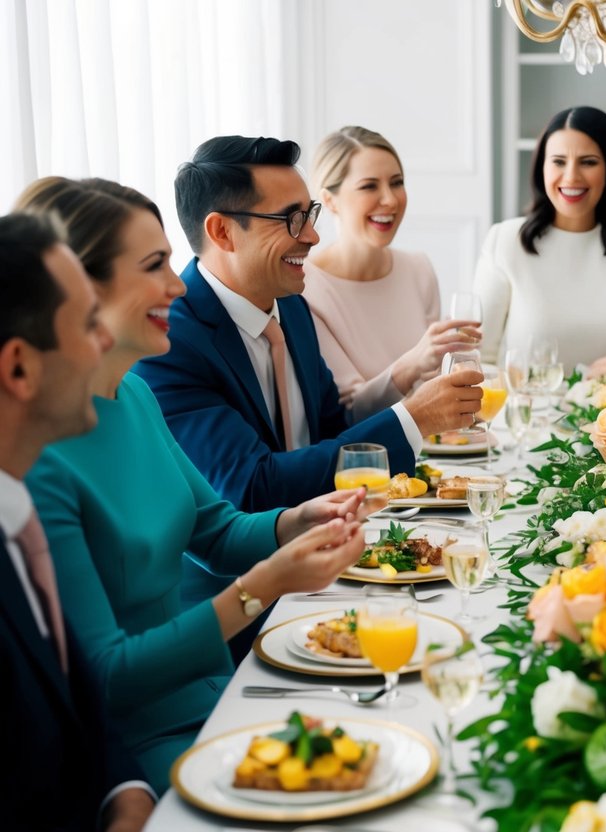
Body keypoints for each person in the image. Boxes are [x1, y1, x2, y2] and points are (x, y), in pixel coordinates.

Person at [18, 176, 369, 792]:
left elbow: (214, 528)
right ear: (81, 289)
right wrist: (264, 587)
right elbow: (106, 678)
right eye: (154, 266)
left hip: (223, 693)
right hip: (141, 745)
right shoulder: (41, 458)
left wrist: (302, 519)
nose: (179, 285)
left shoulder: (132, 392)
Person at [134, 135, 483, 513]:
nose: (313, 236)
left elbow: (333, 432)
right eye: (292, 220)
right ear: (222, 232)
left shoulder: (292, 308)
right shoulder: (169, 342)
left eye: (310, 214)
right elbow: (251, 488)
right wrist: (413, 417)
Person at [0, 212, 154, 830]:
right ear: (20, 369)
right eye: (89, 324)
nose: (103, 343)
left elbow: (77, 708)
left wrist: (127, 790)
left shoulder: (16, 519)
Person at [305, 126, 481, 422]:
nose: (390, 199)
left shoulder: (418, 269)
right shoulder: (307, 289)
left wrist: (454, 361)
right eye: (369, 186)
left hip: (431, 453)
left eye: (396, 183)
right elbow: (347, 415)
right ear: (330, 199)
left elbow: (432, 388)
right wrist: (410, 365)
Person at [474, 106, 606, 369]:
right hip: (521, 408)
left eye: (588, 162)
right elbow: (475, 361)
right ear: (542, 168)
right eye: (558, 161)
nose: (571, 176)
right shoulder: (505, 241)